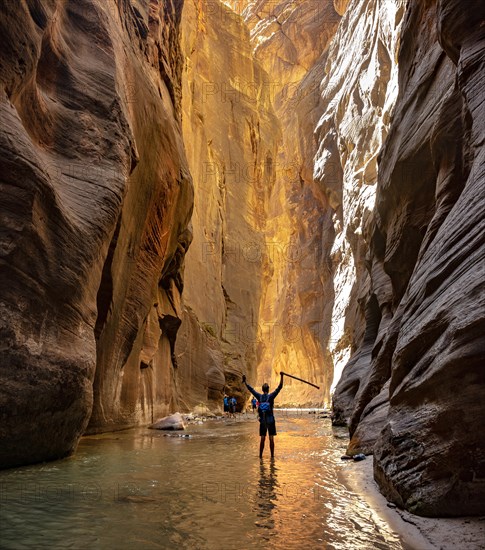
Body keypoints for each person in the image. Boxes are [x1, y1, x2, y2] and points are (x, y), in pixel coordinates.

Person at [242, 373, 284, 458]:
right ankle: (272, 456)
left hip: (263, 421)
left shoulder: (259, 396)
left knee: (262, 438)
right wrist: (282, 376)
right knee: (271, 438)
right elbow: (280, 387)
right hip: (271, 420)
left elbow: (251, 390)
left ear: (262, 389)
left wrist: (245, 382)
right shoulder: (271, 396)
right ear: (268, 390)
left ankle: (260, 456)